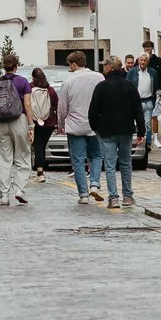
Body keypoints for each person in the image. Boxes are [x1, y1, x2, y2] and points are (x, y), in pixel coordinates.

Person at [88, 54, 145, 209]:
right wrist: (141, 131)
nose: (103, 68)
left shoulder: (101, 87)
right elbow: (138, 110)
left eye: (104, 66)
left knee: (110, 164)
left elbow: (93, 111)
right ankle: (128, 196)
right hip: (126, 129)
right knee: (126, 162)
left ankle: (113, 198)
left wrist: (95, 127)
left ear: (109, 67)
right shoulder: (129, 86)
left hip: (107, 130)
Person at [57, 50, 105, 205]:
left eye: (69, 65)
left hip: (75, 125)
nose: (69, 68)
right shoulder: (99, 77)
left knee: (78, 160)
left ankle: (83, 194)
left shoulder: (68, 82)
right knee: (96, 156)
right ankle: (95, 184)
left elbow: (62, 106)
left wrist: (61, 124)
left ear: (74, 64)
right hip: (95, 125)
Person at [0, 51, 35, 207]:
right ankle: (19, 190)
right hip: (19, 119)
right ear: (16, 67)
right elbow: (28, 105)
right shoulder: (23, 82)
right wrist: (31, 126)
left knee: (2, 158)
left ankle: (4, 195)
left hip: (1, 122)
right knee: (23, 156)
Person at [28, 67, 59, 181]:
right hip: (49, 123)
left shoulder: (30, 88)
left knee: (38, 145)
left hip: (35, 122)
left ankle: (40, 171)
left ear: (33, 77)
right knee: (42, 145)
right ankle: (41, 169)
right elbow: (57, 104)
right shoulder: (50, 90)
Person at [134, 50, 161, 164]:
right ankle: (140, 142)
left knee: (148, 125)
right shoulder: (133, 72)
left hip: (149, 100)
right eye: (141, 60)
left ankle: (147, 144)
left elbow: (156, 85)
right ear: (138, 61)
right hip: (137, 101)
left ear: (148, 62)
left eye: (145, 60)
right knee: (138, 123)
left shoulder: (153, 72)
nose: (143, 62)